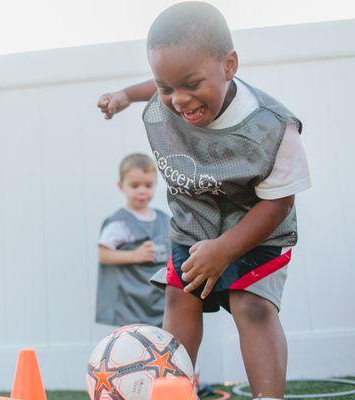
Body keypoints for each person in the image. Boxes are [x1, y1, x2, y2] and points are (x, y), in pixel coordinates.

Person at [96, 3, 311, 399]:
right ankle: (172, 391)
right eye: (166, 89)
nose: (179, 99)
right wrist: (126, 95)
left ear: (229, 66)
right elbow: (168, 80)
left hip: (256, 227)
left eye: (192, 84)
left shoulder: (271, 129)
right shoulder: (171, 96)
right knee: (179, 300)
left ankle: (268, 397)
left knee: (252, 305)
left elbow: (278, 204)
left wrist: (226, 248)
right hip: (194, 222)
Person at [96, 153, 170, 328]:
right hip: (130, 304)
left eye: (148, 185)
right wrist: (135, 255)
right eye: (135, 185)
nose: (142, 191)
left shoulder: (164, 219)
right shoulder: (120, 223)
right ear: (121, 186)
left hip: (158, 302)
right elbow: (103, 254)